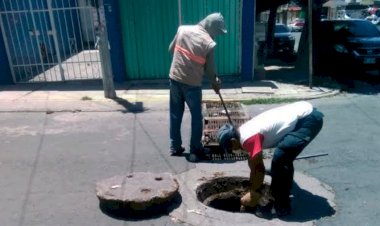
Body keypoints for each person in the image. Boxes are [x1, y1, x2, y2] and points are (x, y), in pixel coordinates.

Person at [217, 101, 324, 217]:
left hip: (308, 120)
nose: (232, 151)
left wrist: (254, 193)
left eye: (230, 148)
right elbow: (254, 162)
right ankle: (278, 175)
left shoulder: (248, 139)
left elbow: (258, 169)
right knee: (279, 162)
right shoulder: (242, 132)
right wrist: (254, 184)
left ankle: (282, 205)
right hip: (302, 111)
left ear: (233, 141)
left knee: (281, 158)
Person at [168, 13, 227, 162]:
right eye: (217, 32)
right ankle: (195, 148)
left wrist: (184, 62)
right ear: (211, 27)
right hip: (192, 85)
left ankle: (175, 147)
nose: (216, 36)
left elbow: (171, 50)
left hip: (174, 78)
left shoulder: (182, 30)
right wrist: (215, 81)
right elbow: (210, 69)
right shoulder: (208, 42)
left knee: (175, 114)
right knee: (196, 116)